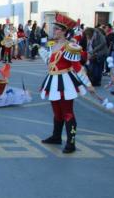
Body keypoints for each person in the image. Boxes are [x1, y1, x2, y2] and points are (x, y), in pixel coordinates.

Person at [39, 13, 93, 154]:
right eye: (54, 28)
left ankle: (71, 143)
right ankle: (56, 136)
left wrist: (88, 84)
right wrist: (39, 50)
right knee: (57, 112)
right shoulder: (54, 45)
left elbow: (77, 66)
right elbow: (50, 63)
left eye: (57, 29)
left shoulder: (70, 46)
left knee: (67, 113)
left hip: (65, 81)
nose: (54, 31)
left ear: (64, 31)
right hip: (53, 79)